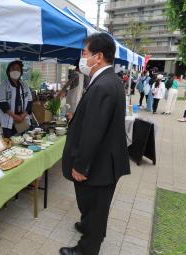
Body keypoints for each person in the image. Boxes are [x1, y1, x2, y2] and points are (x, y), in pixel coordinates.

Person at [60, 33, 130, 255]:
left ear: (98, 57)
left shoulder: (102, 85)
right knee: (94, 206)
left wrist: (81, 165)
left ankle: (87, 249)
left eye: (84, 53)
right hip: (105, 159)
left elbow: (94, 132)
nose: (82, 58)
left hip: (99, 163)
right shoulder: (110, 80)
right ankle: (90, 227)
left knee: (95, 205)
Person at [0, 60, 33, 138]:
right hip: (8, 120)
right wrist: (16, 117)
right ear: (8, 71)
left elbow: (30, 102)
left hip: (22, 119)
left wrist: (23, 116)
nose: (15, 71)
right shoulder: (4, 86)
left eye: (18, 69)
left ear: (21, 72)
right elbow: (2, 104)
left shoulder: (24, 85)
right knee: (10, 142)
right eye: (13, 69)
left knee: (23, 140)